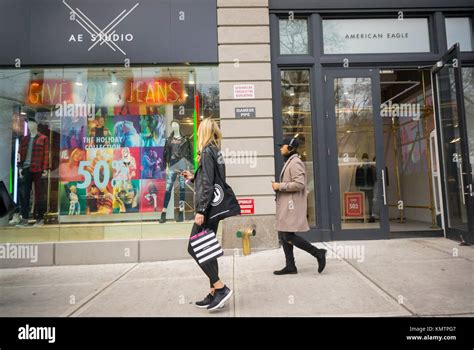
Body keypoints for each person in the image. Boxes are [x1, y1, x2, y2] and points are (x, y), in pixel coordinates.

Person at [181, 118, 233, 311]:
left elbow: (209, 184)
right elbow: (210, 181)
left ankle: (220, 288)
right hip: (212, 208)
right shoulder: (215, 151)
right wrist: (193, 178)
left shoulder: (207, 152)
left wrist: (201, 210)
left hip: (207, 210)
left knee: (194, 247)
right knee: (207, 249)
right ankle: (214, 292)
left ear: (203, 131)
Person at [272, 136, 327, 275]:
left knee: (288, 236)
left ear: (290, 148)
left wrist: (280, 186)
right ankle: (290, 266)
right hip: (287, 204)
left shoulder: (295, 162)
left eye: (282, 146)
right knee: (284, 233)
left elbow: (300, 184)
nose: (280, 148)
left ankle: (318, 253)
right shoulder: (290, 161)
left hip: (291, 205)